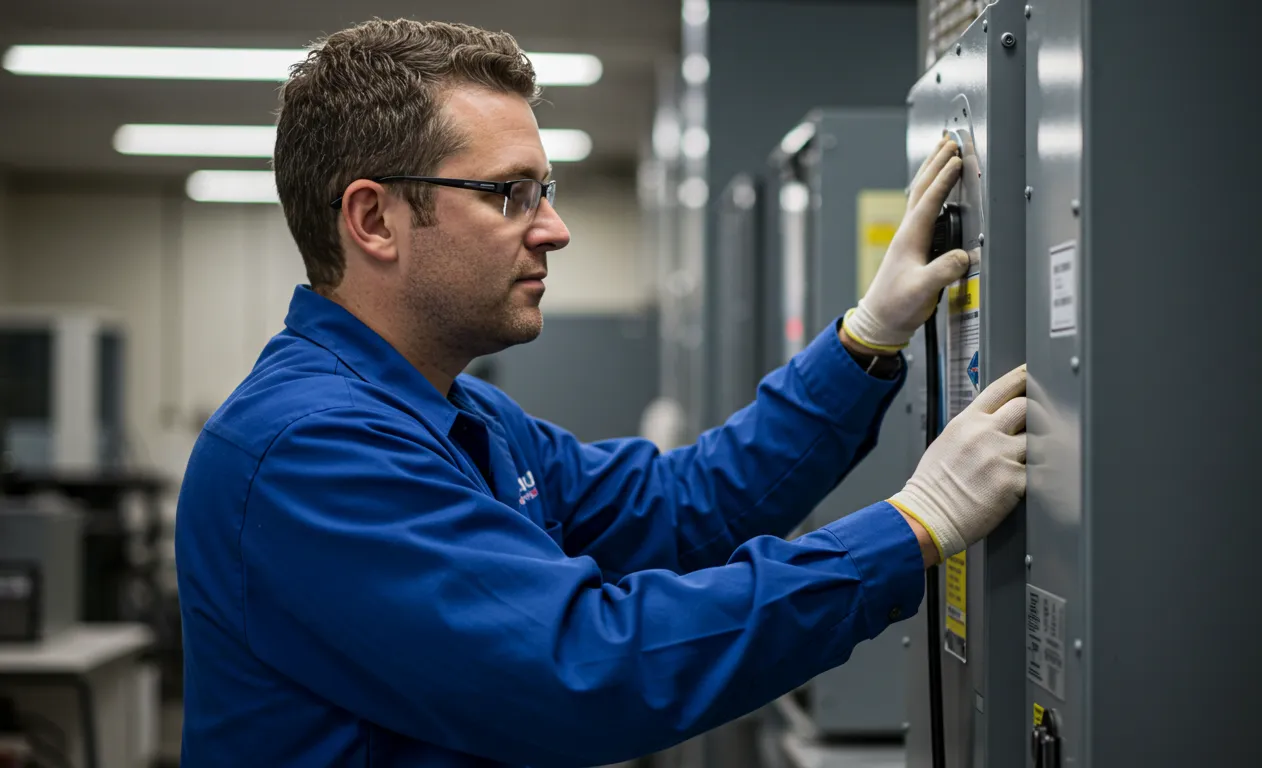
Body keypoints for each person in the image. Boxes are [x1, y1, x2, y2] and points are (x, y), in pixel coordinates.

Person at [173, 18, 1028, 768]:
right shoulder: (310, 452)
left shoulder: (463, 417)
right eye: (509, 193)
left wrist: (864, 341)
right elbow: (582, 668)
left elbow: (680, 506)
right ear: (372, 220)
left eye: (545, 191)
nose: (554, 227)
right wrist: (908, 528)